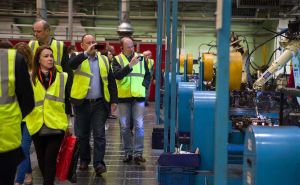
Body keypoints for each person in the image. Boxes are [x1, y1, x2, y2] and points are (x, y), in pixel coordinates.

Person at [69, 34, 118, 176]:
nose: (92, 45)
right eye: (88, 43)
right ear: (82, 45)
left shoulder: (103, 59)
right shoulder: (77, 57)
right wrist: (85, 54)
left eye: (93, 42)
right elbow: (70, 65)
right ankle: (84, 159)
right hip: (81, 103)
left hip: (99, 104)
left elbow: (111, 81)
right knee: (82, 135)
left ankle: (98, 163)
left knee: (99, 134)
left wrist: (114, 100)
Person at [24, 45, 71, 185]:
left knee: (50, 159)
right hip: (36, 123)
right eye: (46, 56)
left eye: (51, 56)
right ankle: (48, 181)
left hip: (56, 124)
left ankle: (48, 183)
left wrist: (69, 124)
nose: (50, 58)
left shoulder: (62, 77)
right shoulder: (29, 77)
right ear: (38, 59)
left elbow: (67, 102)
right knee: (41, 160)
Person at [0, 42, 34, 185]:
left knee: (24, 149)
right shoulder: (13, 61)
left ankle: (22, 178)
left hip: (12, 130)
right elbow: (27, 100)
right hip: (9, 131)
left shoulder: (14, 61)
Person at [112, 37, 150, 164]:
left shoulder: (141, 58)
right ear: (121, 48)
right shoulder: (117, 60)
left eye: (132, 46)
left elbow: (148, 75)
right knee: (124, 127)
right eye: (128, 46)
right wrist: (130, 65)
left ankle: (138, 153)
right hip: (123, 98)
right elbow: (117, 75)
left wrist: (144, 85)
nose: (131, 48)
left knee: (139, 125)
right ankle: (128, 152)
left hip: (138, 97)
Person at [29, 19, 73, 114]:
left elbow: (67, 71)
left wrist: (68, 92)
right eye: (34, 31)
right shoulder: (31, 45)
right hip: (37, 88)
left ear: (47, 31)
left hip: (56, 89)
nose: (36, 34)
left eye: (38, 31)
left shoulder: (60, 46)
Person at [14, 42, 34, 185]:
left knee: (23, 147)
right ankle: (28, 173)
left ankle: (18, 180)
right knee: (22, 148)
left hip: (29, 116)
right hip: (18, 115)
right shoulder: (13, 71)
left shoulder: (33, 73)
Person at [102, 45, 118, 120]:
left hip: (109, 88)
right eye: (110, 54)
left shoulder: (111, 63)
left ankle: (108, 114)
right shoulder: (104, 64)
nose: (112, 55)